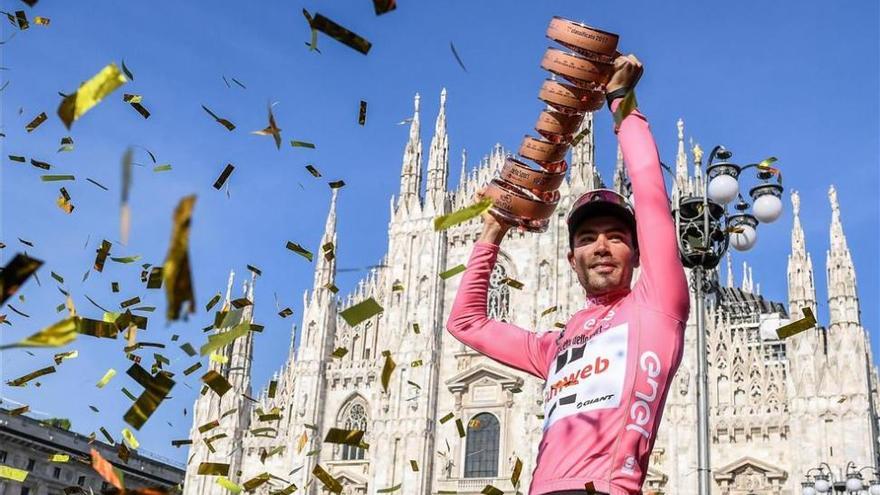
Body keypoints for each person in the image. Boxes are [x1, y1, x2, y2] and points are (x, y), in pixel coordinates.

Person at [446, 54, 690, 495]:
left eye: (616, 236)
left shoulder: (656, 307)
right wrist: (493, 231)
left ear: (637, 253)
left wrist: (621, 103)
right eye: (587, 239)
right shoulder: (557, 346)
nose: (600, 246)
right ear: (570, 259)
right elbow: (465, 324)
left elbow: (650, 190)